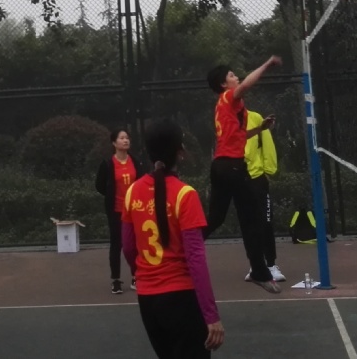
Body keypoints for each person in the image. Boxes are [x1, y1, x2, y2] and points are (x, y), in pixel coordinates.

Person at [123, 119, 224, 358]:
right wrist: (211, 316)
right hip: (181, 298)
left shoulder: (132, 192)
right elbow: (196, 260)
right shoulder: (185, 195)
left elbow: (128, 247)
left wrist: (143, 275)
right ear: (180, 152)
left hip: (147, 301)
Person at [204, 55, 282, 293]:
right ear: (223, 84)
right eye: (231, 75)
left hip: (221, 167)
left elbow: (238, 136)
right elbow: (247, 84)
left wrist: (260, 129)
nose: (236, 77)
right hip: (233, 167)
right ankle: (260, 272)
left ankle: (181, 248)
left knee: (215, 219)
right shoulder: (229, 96)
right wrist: (267, 64)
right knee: (252, 220)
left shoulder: (228, 107)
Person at [95, 127, 143, 294]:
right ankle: (115, 280)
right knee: (117, 244)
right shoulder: (108, 164)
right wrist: (111, 195)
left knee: (135, 244)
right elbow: (100, 185)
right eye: (122, 138)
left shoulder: (135, 161)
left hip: (135, 209)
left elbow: (142, 182)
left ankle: (136, 276)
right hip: (116, 210)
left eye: (127, 138)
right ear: (114, 143)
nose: (125, 140)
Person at [243, 109, 285, 282]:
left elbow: (267, 146)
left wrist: (268, 171)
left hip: (257, 179)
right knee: (248, 225)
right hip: (239, 180)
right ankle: (256, 265)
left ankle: (271, 265)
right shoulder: (225, 120)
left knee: (265, 222)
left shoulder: (255, 118)